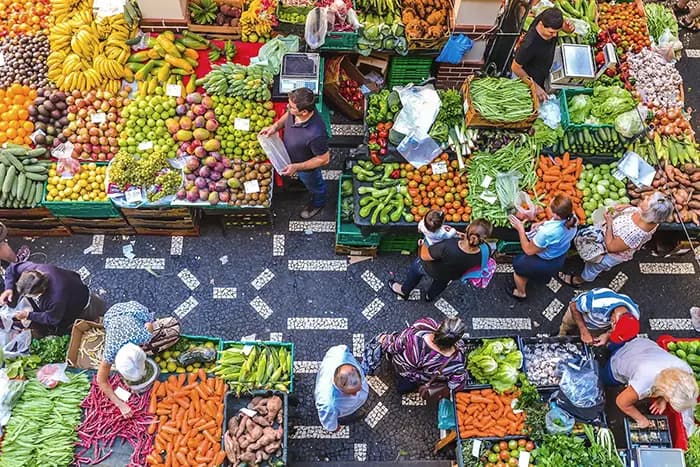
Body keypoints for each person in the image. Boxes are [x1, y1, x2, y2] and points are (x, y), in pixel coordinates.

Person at [559, 192, 674, 286]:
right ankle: (603, 269)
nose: (645, 197)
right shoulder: (652, 218)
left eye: (648, 200)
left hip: (609, 252)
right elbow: (638, 210)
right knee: (601, 266)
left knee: (593, 268)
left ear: (650, 212)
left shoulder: (634, 233)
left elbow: (611, 247)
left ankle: (579, 280)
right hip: (609, 238)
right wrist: (626, 207)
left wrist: (609, 223)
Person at [602, 337, 698, 433]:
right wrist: (641, 419)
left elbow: (674, 384)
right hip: (620, 361)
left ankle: (610, 344)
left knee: (615, 341)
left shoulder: (685, 369)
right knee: (602, 376)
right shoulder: (645, 382)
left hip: (641, 344)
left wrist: (663, 399)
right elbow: (621, 402)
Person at [259, 87, 330, 219]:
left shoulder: (316, 134)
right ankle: (301, 183)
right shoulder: (294, 113)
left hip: (306, 168)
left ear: (304, 112)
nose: (288, 107)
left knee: (315, 185)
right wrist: (274, 127)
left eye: (291, 107)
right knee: (302, 179)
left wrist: (297, 167)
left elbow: (324, 159)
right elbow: (287, 116)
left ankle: (318, 203)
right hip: (292, 159)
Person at [389, 219, 493, 302]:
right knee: (441, 283)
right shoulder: (486, 250)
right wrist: (461, 236)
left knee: (416, 268)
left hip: (432, 269)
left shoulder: (447, 247)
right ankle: (429, 297)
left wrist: (424, 241)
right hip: (452, 275)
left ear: (467, 227)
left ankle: (404, 291)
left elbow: (424, 256)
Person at [1, 261, 105, 337]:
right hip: (73, 283)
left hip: (81, 302)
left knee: (91, 313)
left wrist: (28, 315)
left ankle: (97, 320)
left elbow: (52, 319)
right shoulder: (34, 270)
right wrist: (8, 288)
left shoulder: (55, 299)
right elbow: (12, 269)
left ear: (41, 291)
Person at [508, 194, 577, 300]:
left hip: (545, 260)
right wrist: (543, 223)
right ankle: (541, 278)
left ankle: (520, 293)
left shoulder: (547, 233)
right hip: (559, 255)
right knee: (541, 274)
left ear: (556, 215)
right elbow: (557, 223)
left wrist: (520, 229)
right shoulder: (573, 218)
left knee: (519, 267)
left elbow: (528, 250)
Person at [96, 301, 155, 417]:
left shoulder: (143, 336)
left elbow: (149, 326)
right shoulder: (110, 351)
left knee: (149, 322)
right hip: (111, 315)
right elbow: (101, 380)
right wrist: (120, 404)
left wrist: (147, 322)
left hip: (135, 308)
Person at [380, 317, 468, 394]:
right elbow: (454, 385)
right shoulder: (457, 361)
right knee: (408, 385)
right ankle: (404, 389)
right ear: (456, 340)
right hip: (421, 378)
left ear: (440, 325)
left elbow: (394, 347)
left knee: (404, 380)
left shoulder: (422, 327)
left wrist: (384, 341)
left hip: (403, 368)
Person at [511, 8, 575, 101]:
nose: (554, 35)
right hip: (526, 78)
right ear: (541, 24)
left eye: (556, 32)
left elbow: (564, 27)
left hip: (541, 71)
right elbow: (515, 67)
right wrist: (535, 86)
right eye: (551, 32)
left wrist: (569, 29)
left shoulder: (548, 17)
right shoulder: (529, 44)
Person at [559, 287, 640, 346]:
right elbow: (573, 306)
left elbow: (616, 330)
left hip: (597, 325)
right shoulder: (596, 302)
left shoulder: (635, 315)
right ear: (613, 321)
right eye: (613, 329)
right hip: (578, 311)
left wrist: (607, 336)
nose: (611, 330)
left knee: (593, 335)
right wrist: (584, 330)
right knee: (567, 326)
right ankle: (561, 337)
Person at [314, 344, 368, 432]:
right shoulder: (328, 403)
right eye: (351, 393)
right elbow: (328, 420)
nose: (356, 394)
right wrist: (334, 428)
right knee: (348, 417)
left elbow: (345, 349)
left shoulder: (340, 354)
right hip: (345, 412)